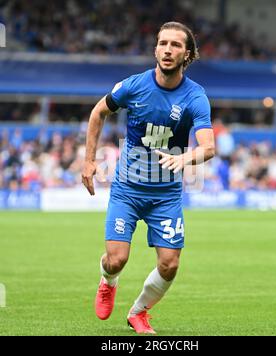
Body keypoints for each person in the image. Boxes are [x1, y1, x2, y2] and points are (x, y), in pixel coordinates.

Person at [82, 21, 215, 334]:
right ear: (156, 48)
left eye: (176, 45)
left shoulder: (195, 96)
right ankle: (107, 281)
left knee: (170, 264)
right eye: (162, 43)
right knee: (116, 260)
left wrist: (185, 157)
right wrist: (89, 161)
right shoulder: (134, 86)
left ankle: (138, 313)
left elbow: (209, 147)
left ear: (188, 55)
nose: (168, 50)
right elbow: (98, 112)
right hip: (127, 189)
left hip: (166, 194)